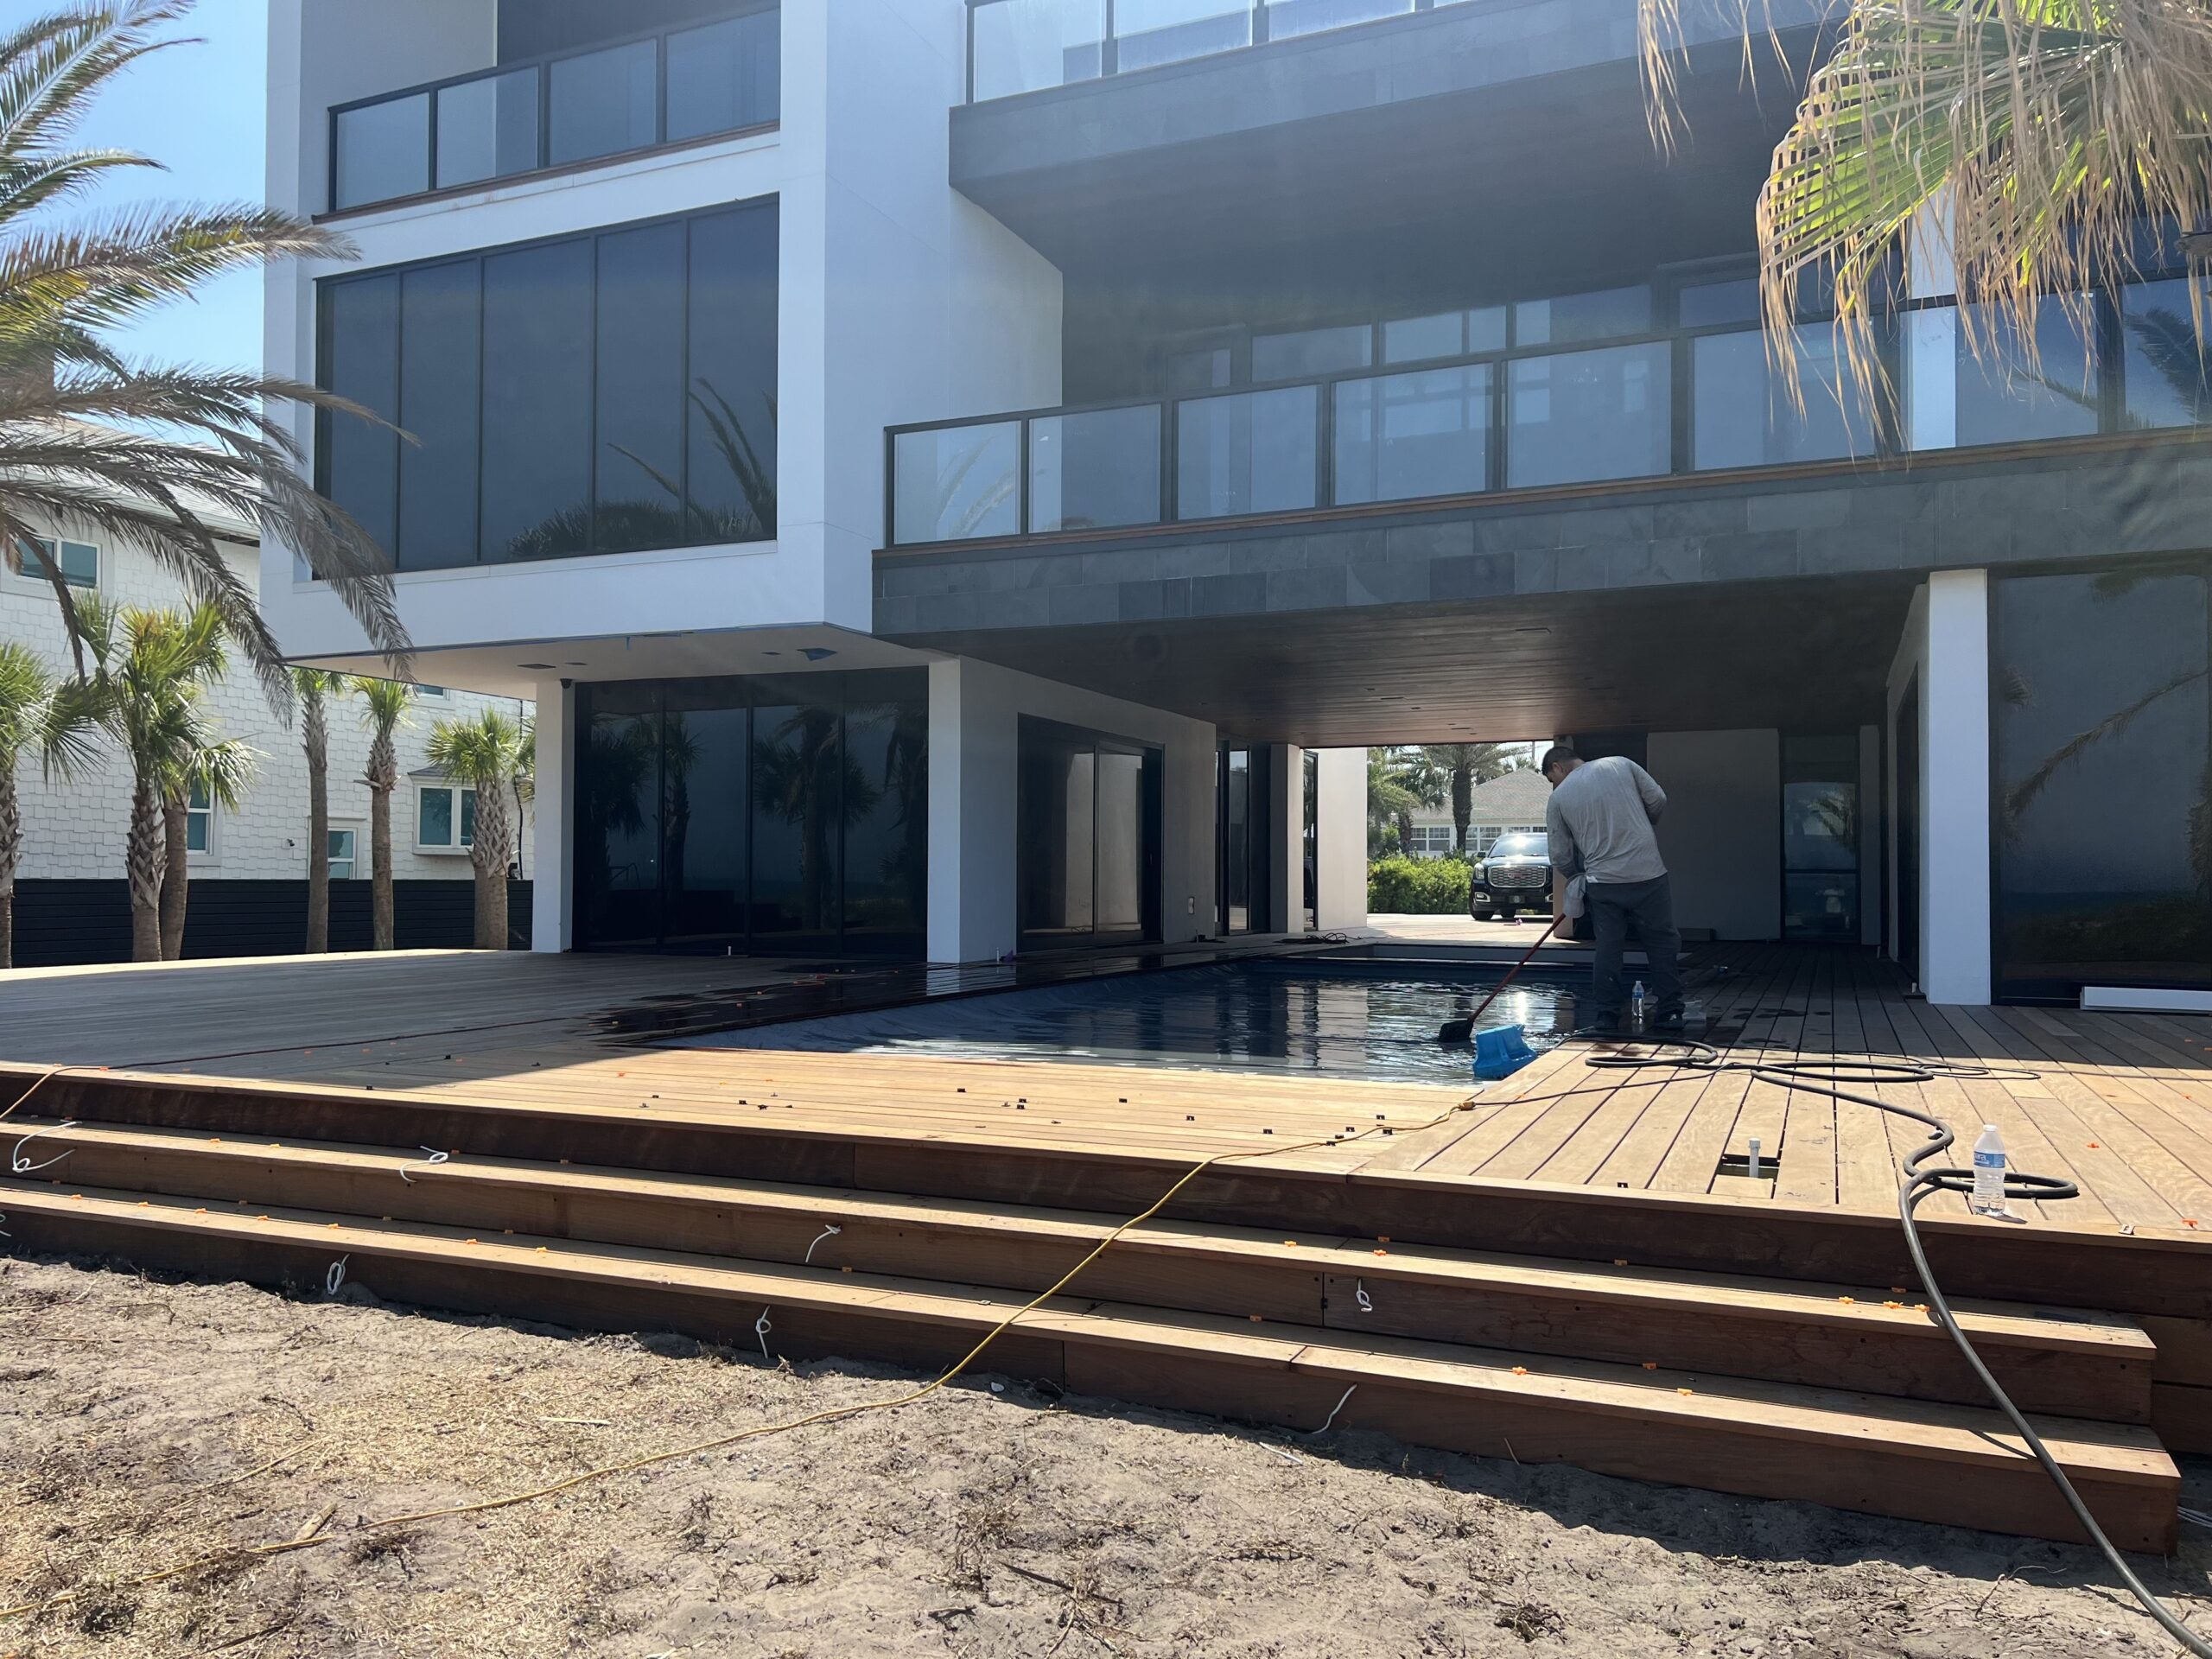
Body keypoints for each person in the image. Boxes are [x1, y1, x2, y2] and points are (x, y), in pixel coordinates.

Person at [1540, 746, 1683, 1032]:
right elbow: (1658, 799)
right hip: (1649, 875)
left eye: (1550, 778)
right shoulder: (1622, 764)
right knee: (1661, 944)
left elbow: (1559, 855)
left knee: (1608, 948)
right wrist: (1647, 822)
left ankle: (1606, 1015)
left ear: (1557, 767)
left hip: (1604, 884)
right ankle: (1670, 1012)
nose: (1553, 784)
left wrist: (1576, 876)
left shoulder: (1559, 798)